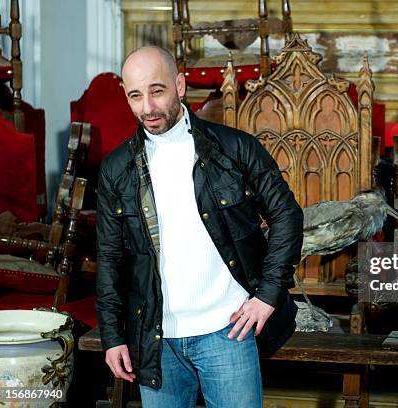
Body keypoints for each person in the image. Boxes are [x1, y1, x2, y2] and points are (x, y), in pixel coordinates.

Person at [96, 45, 303, 408]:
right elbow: (110, 259)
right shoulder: (117, 170)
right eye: (136, 96)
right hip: (156, 341)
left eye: (157, 91)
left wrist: (268, 295)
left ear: (179, 84)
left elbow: (287, 215)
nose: (148, 108)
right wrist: (113, 337)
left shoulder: (235, 149)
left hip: (228, 332)